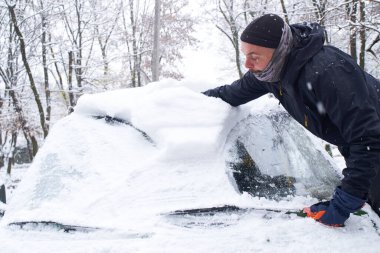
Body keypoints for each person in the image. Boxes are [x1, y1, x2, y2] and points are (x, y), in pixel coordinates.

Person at [202, 13, 380, 227]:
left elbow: (367, 140)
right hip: (360, 145)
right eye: (245, 55)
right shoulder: (270, 73)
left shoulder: (328, 71)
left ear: (279, 50)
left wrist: (343, 204)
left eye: (254, 56)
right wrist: (185, 100)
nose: (247, 64)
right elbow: (232, 93)